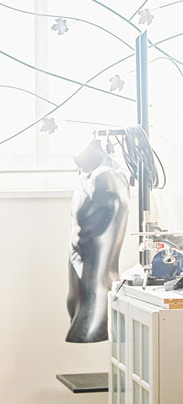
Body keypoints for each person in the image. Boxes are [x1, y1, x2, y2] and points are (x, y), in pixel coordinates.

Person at [66, 137, 130, 342]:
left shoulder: (108, 178)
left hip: (96, 293)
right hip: (81, 290)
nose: (76, 160)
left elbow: (95, 236)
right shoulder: (88, 178)